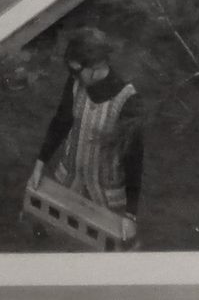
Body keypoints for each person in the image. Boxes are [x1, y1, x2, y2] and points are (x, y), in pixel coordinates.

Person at [30, 27, 141, 245]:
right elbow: (61, 122)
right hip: (69, 179)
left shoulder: (128, 99)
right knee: (54, 236)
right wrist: (40, 163)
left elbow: (134, 159)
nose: (73, 77)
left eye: (76, 71)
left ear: (96, 66)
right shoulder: (75, 82)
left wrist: (130, 214)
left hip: (105, 194)